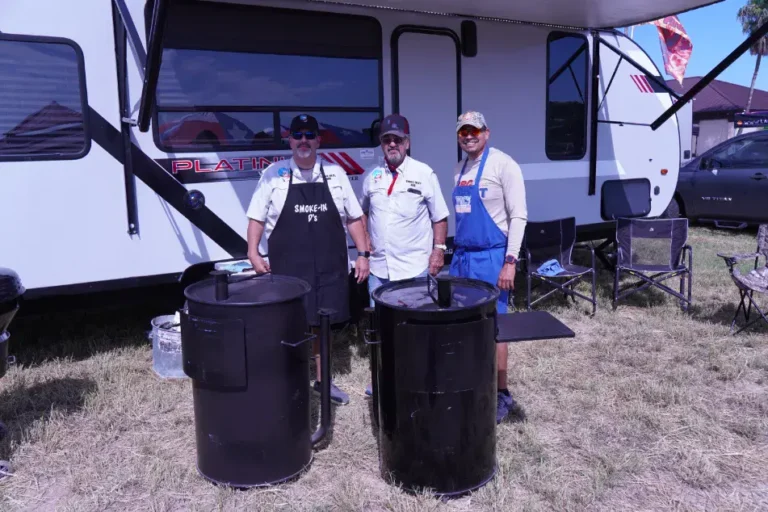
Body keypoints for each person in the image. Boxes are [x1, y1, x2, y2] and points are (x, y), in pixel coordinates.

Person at [246, 114, 370, 406]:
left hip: (328, 267)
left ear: (318, 140)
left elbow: (354, 217)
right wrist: (253, 251)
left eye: (309, 135)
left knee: (322, 325)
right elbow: (256, 216)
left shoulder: (336, 173)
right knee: (287, 324)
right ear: (290, 140)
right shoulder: (273, 175)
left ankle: (323, 382)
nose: (303, 141)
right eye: (297, 135)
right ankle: (287, 381)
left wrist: (363, 253)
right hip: (288, 267)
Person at [359, 114, 450, 395]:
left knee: (417, 329)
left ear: (407, 143)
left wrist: (439, 251)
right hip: (379, 271)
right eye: (387, 139)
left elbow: (440, 217)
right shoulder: (371, 177)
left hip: (414, 269)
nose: (392, 144)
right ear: (381, 144)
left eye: (397, 139)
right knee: (382, 330)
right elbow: (361, 213)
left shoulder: (424, 174)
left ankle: (419, 380)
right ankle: (384, 382)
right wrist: (366, 239)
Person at [449, 111, 528, 423]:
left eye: (475, 131)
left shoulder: (503, 165)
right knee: (464, 325)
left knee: (497, 328)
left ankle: (501, 393)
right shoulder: (458, 170)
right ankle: (472, 382)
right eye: (463, 131)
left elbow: (518, 216)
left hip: (493, 257)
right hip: (462, 258)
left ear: (487, 133)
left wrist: (510, 261)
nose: (469, 136)